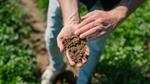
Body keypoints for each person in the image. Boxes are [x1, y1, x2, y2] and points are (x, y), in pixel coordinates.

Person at [41, 0, 143, 84]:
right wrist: (71, 21)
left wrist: (117, 13)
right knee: (52, 35)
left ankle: (83, 78)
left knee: (96, 44)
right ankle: (56, 66)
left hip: (106, 3)